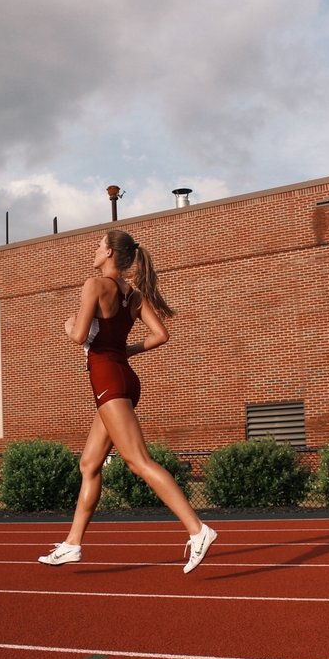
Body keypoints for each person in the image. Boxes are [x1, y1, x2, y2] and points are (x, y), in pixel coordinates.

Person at [38, 230, 217, 573]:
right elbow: (161, 335)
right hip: (124, 379)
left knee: (138, 461)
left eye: (98, 245)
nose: (94, 250)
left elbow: (78, 337)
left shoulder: (94, 285)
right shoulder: (133, 295)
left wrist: (67, 324)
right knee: (89, 465)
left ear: (108, 253)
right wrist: (129, 349)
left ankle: (198, 529)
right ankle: (73, 544)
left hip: (108, 380)